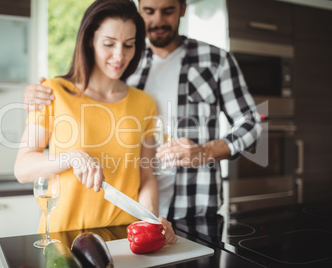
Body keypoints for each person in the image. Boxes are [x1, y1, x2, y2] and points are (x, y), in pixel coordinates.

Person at [23, 0, 262, 220]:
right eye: (149, 11)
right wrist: (42, 94)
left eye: (167, 10)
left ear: (182, 9)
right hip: (131, 210)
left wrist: (205, 151)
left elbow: (251, 124)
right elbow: (83, 99)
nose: (158, 20)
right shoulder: (126, 60)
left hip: (194, 206)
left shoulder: (215, 60)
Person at [15, 0, 177, 244]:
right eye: (109, 44)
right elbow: (23, 168)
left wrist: (151, 221)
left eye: (129, 45)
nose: (119, 56)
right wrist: (70, 157)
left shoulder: (144, 103)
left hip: (124, 237)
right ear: (90, 40)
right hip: (63, 238)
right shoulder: (53, 92)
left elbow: (146, 178)